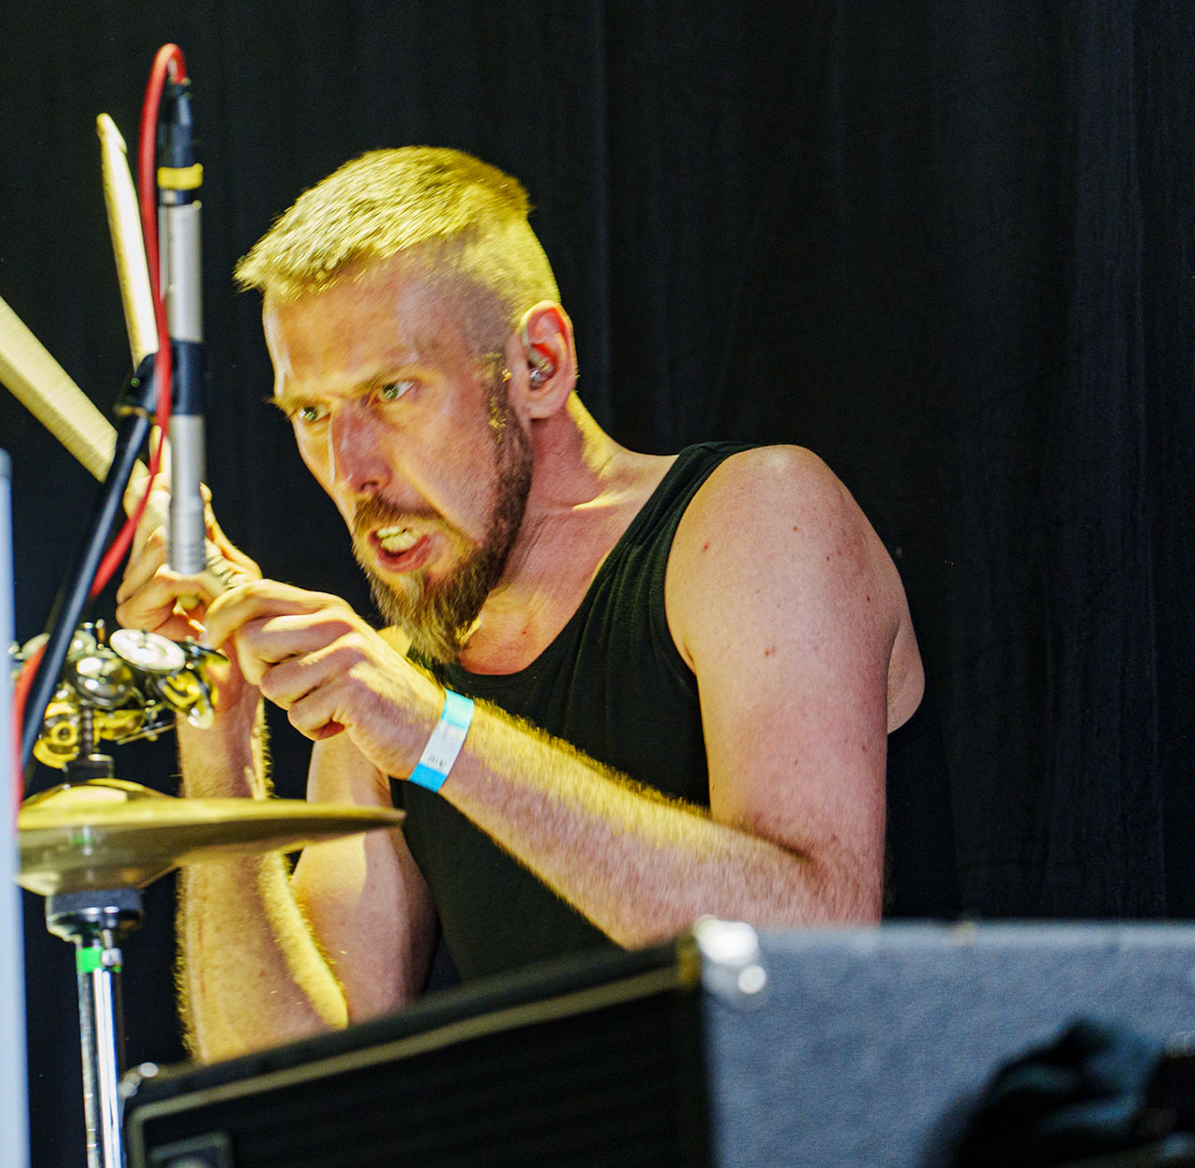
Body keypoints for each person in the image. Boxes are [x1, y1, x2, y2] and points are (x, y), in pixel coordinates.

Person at [116, 147, 924, 1064]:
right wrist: (215, 733)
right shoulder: (393, 684)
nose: (351, 469)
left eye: (392, 391)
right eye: (310, 414)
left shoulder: (752, 521)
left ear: (537, 365)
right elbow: (287, 1087)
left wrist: (437, 735)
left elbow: (809, 954)